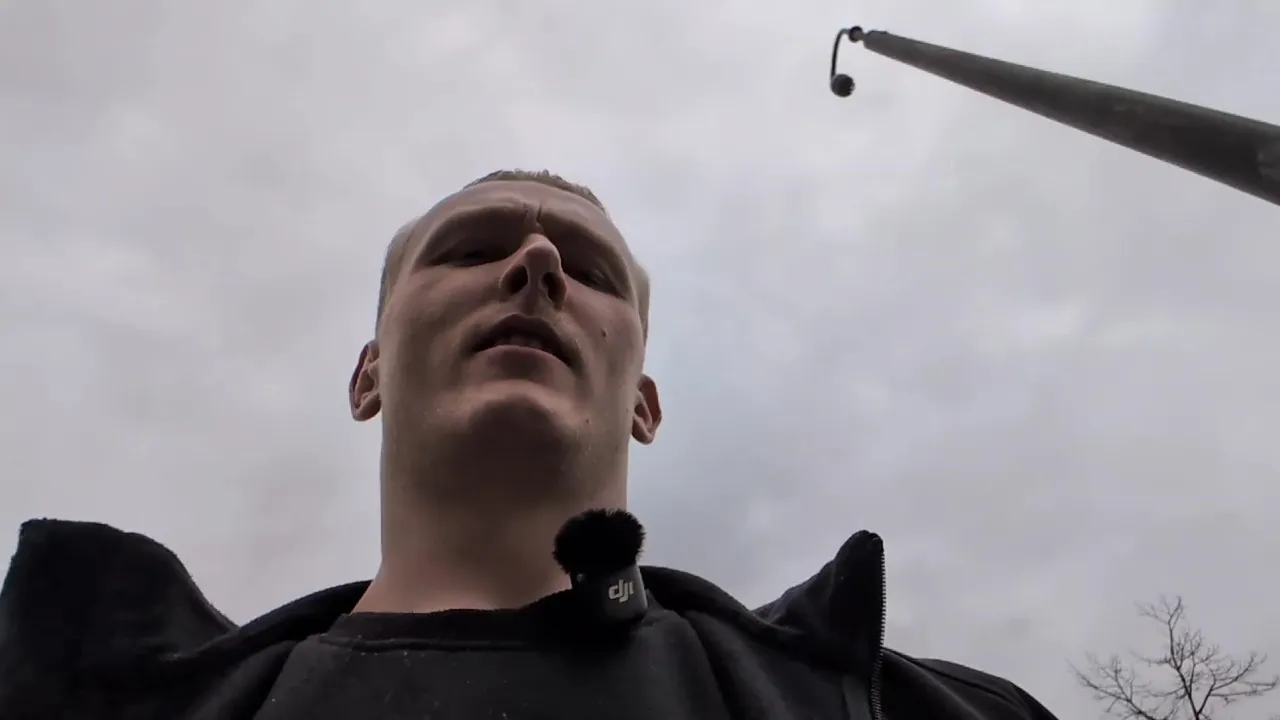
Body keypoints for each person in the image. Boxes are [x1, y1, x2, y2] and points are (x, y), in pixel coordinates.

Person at [0, 170, 1060, 720]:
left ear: (644, 403)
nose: (538, 261)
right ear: (368, 375)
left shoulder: (908, 710)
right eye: (469, 250)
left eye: (591, 274)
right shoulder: (83, 698)